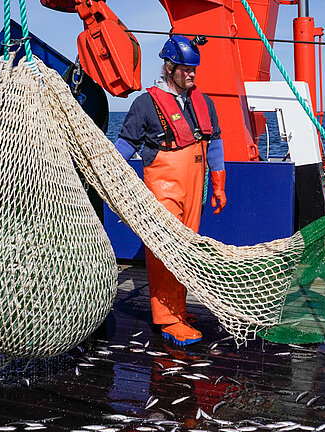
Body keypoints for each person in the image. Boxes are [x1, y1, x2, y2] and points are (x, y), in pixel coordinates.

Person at [114, 35, 227, 345]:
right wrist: (106, 171)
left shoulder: (203, 101)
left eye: (194, 70)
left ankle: (176, 309)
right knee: (165, 251)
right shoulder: (146, 104)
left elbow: (214, 142)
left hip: (194, 187)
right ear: (168, 68)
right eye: (185, 69)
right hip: (162, 186)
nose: (191, 75)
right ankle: (167, 320)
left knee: (186, 253)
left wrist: (219, 184)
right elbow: (125, 145)